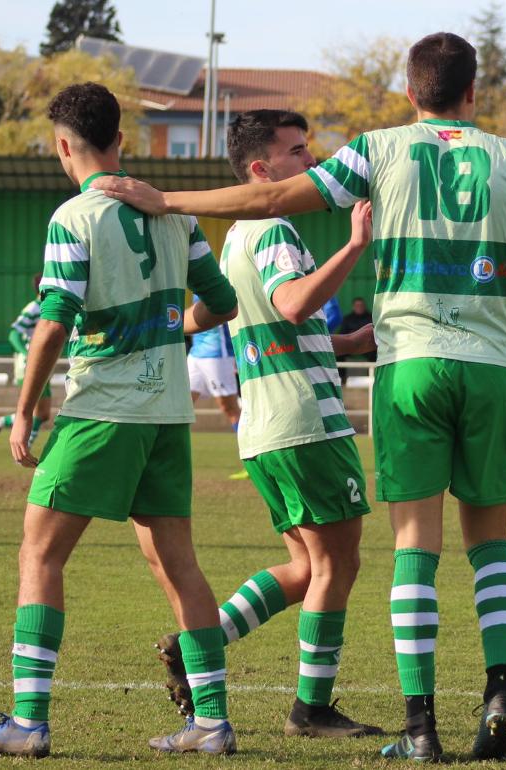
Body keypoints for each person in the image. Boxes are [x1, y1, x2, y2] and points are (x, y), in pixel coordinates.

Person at [93, 31, 506, 763]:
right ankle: (499, 690)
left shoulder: (378, 149)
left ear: (411, 93)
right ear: (475, 93)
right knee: (491, 542)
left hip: (410, 364)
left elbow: (274, 193)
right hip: (492, 367)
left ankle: (421, 730)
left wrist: (166, 197)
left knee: (415, 547)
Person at [0, 82, 240, 758]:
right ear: (121, 139)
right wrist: (164, 335)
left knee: (40, 553)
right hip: (167, 417)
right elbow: (221, 303)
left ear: (62, 146)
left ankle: (27, 722)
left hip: (101, 412)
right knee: (181, 567)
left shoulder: (73, 218)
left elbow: (52, 323)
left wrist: (24, 411)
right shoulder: (172, 213)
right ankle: (213, 721)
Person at [151, 109, 382, 740]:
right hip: (306, 423)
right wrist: (354, 246)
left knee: (307, 570)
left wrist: (343, 343)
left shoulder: (238, 240)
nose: (313, 164)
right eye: (299, 152)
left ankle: (199, 642)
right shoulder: (274, 227)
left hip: (264, 428)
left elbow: (265, 326)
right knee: (338, 566)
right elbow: (291, 302)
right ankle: (312, 708)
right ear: (262, 169)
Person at [0, 276, 52, 449]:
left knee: (44, 413)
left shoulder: (49, 308)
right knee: (34, 411)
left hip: (43, 363)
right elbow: (13, 334)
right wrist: (28, 354)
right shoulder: (33, 308)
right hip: (30, 365)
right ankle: (23, 450)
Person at [187, 296, 242, 430]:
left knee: (230, 409)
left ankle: (250, 446)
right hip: (195, 355)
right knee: (181, 406)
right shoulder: (194, 281)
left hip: (217, 355)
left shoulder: (222, 278)